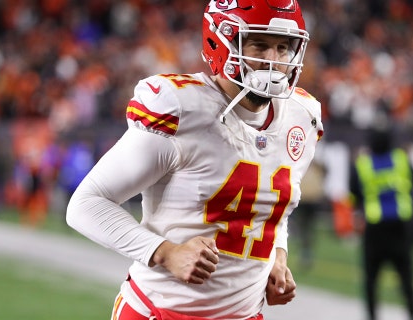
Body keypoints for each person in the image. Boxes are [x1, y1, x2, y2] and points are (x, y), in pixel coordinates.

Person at [66, 1, 324, 319]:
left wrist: (277, 255)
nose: (273, 61)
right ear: (221, 43)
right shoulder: (181, 110)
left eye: (283, 47)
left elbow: (273, 207)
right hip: (160, 311)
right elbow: (86, 204)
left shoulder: (301, 116)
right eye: (259, 44)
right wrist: (164, 252)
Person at [349, 126, 413, 320]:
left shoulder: (363, 164)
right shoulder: (401, 159)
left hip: (375, 229)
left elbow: (354, 191)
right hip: (400, 227)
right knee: (406, 280)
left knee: (371, 281)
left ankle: (372, 316)